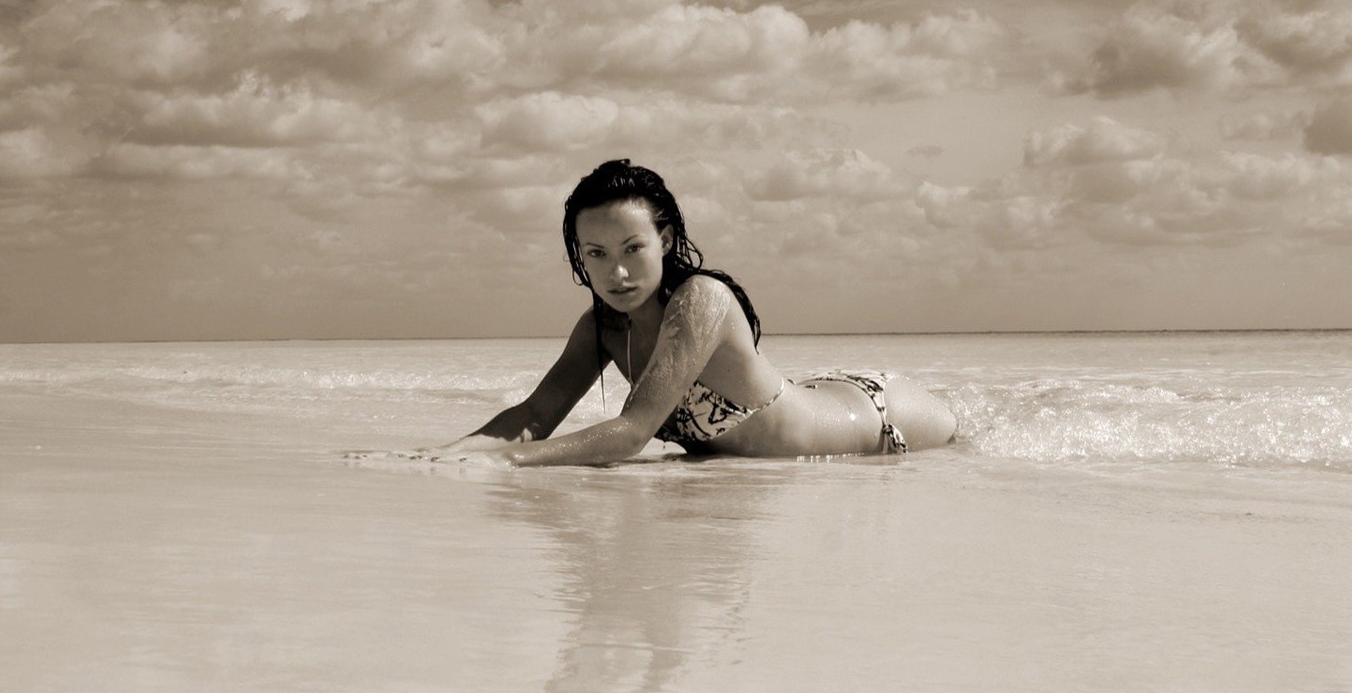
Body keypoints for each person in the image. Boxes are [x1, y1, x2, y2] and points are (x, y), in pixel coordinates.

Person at [404, 159, 957, 467]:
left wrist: (505, 463)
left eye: (632, 249)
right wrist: (440, 456)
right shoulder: (602, 327)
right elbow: (532, 417)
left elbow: (631, 434)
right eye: (596, 254)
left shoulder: (700, 300)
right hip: (815, 396)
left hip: (879, 419)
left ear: (664, 241)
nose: (617, 273)